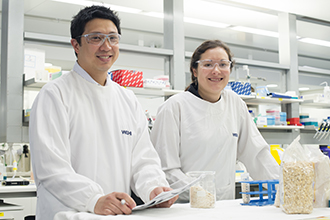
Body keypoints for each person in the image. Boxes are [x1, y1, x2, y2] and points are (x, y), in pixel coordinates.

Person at [29, 5, 177, 219]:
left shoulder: (127, 99)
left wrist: (154, 188)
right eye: (95, 38)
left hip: (115, 213)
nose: (106, 46)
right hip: (69, 213)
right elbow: (51, 169)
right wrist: (93, 199)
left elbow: (143, 159)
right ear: (76, 44)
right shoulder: (54, 94)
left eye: (113, 38)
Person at [150, 40, 279, 202]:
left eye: (223, 64)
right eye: (208, 64)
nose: (216, 71)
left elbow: (256, 154)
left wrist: (283, 186)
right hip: (185, 207)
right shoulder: (174, 107)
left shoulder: (235, 103)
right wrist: (200, 193)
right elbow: (165, 168)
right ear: (194, 71)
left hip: (225, 205)